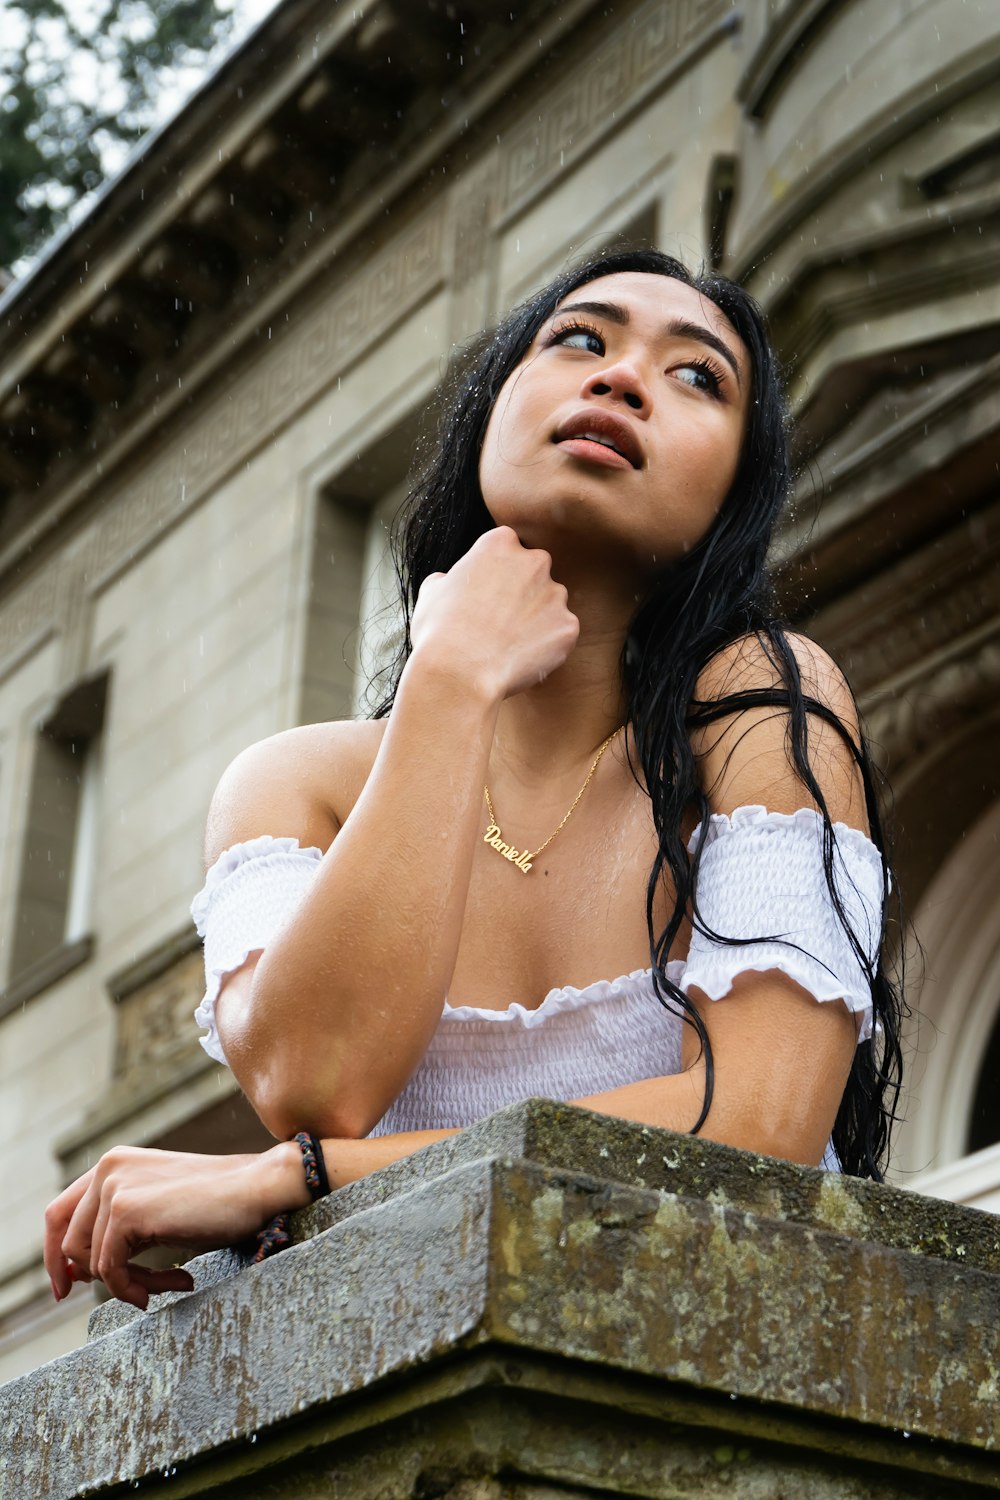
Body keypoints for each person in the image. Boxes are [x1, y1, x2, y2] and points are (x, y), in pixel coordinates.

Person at [44, 248, 904, 1311]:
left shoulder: (761, 702)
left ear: (733, 492)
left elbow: (760, 1125)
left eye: (696, 377)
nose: (621, 377)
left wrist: (302, 1178)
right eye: (578, 340)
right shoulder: (292, 786)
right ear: (487, 417)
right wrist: (449, 679)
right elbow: (314, 1081)